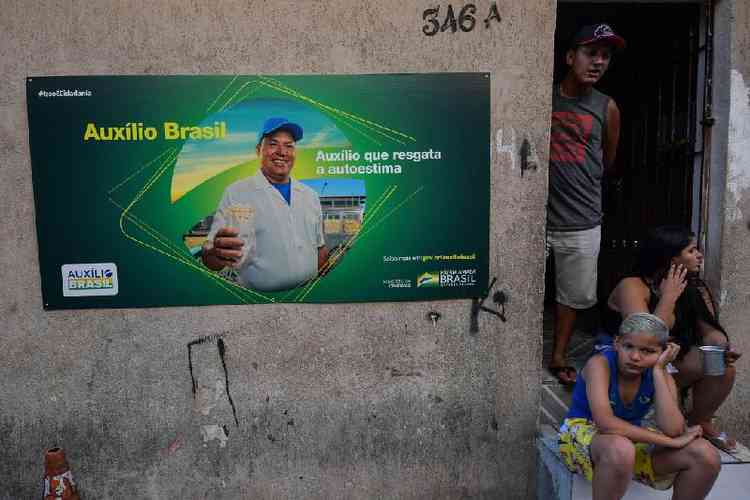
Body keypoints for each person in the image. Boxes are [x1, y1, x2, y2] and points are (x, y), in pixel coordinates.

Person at [603, 225, 741, 453]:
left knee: (722, 368)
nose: (699, 255)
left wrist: (722, 347)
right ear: (670, 257)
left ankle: (700, 422)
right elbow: (645, 336)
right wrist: (668, 297)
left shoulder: (690, 286)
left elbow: (709, 331)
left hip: (663, 361)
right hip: (628, 362)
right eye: (691, 250)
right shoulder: (632, 285)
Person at [559, 312, 721, 500]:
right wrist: (670, 442)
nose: (635, 356)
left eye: (647, 351)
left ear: (663, 352)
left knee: (705, 454)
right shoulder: (600, 364)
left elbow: (674, 429)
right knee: (621, 448)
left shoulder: (659, 372)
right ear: (617, 342)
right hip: (583, 437)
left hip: (629, 440)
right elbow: (605, 424)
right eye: (628, 346)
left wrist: (659, 371)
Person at [547, 23, 625, 385]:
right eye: (590, 53)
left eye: (605, 57)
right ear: (568, 57)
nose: (598, 62)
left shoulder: (607, 108)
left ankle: (559, 354)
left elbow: (608, 162)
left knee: (571, 296)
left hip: (581, 219)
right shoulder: (543, 98)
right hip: (537, 216)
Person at [202, 117, 329, 291]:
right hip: (259, 303)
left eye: (289, 145)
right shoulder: (236, 192)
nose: (282, 152)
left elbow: (320, 248)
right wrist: (216, 253)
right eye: (273, 144)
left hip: (308, 297)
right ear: (258, 150)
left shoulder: (311, 195)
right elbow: (210, 258)